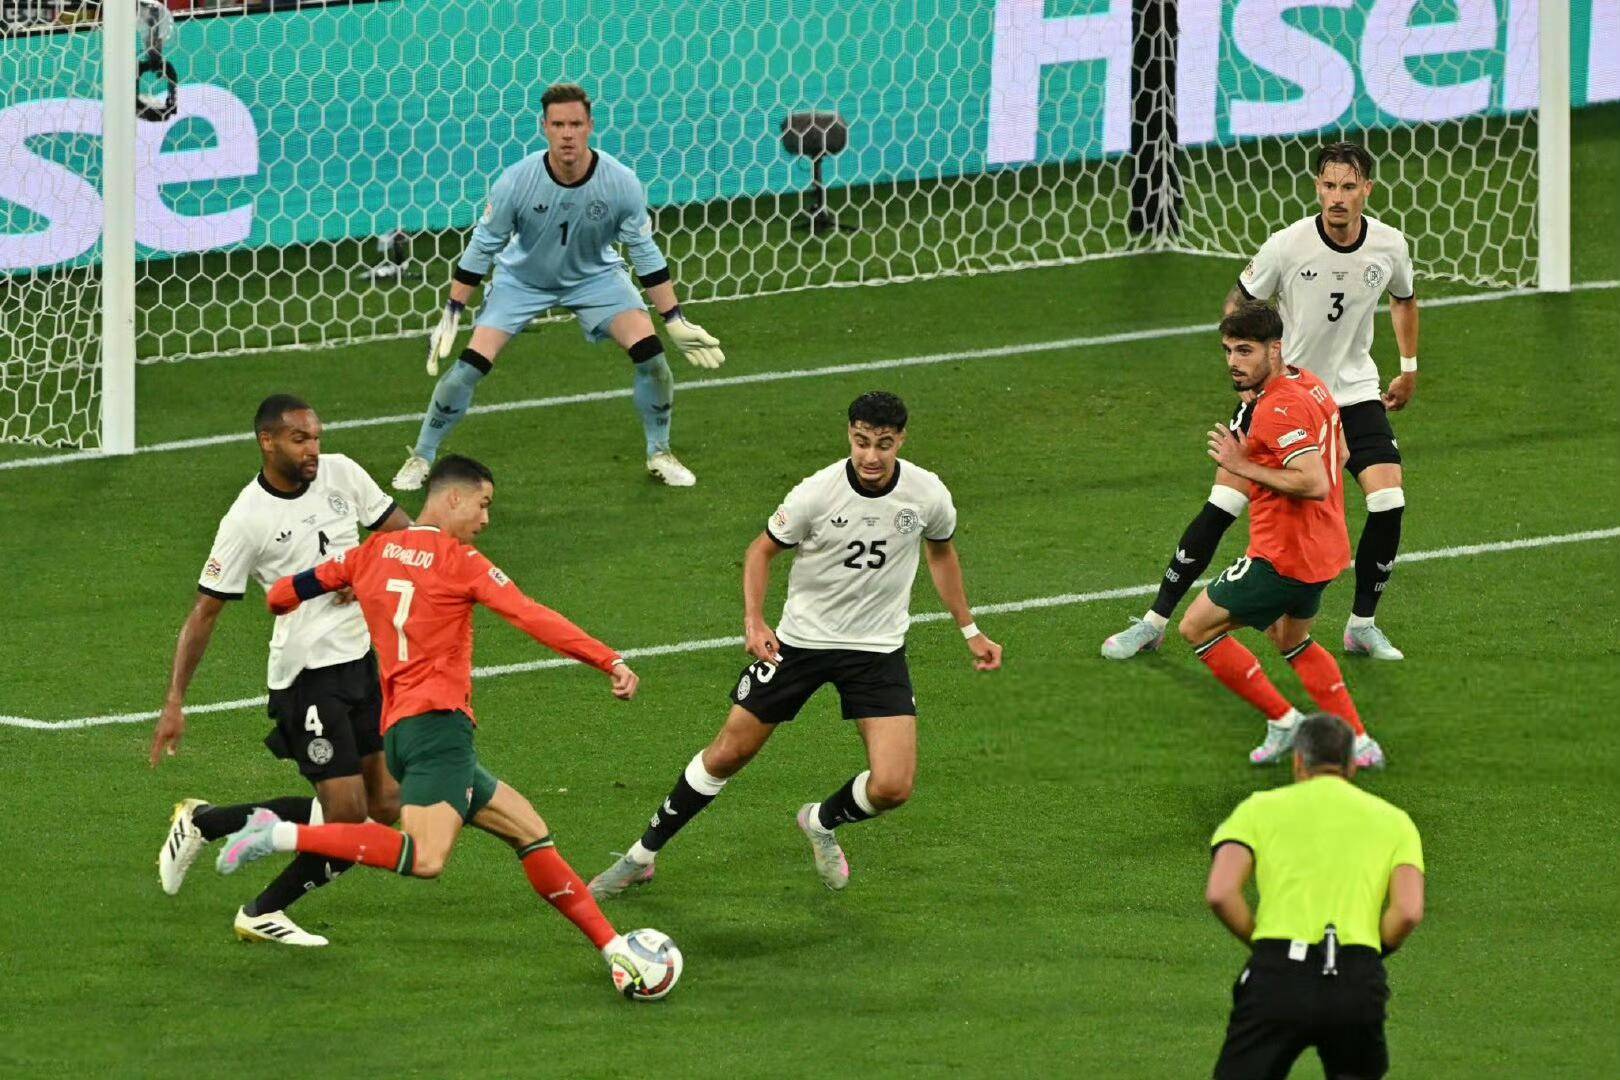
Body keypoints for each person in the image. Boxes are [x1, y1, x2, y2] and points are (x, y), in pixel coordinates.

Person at [215, 455, 647, 987]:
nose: (486, 520)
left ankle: (614, 950)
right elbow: (530, 615)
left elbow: (281, 595)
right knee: (424, 858)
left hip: (400, 732)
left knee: (530, 833)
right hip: (440, 730)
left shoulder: (369, 553)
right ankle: (277, 834)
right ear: (452, 497)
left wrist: (330, 588)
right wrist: (608, 659)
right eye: (483, 505)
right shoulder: (460, 562)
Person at [588, 391, 1002, 899]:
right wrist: (754, 621)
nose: (871, 456)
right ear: (849, 434)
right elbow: (760, 552)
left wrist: (970, 629)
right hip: (800, 644)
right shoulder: (817, 493)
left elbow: (941, 555)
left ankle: (821, 822)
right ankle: (640, 856)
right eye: (861, 441)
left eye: (883, 444)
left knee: (893, 786)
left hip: (877, 650)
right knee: (727, 754)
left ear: (901, 441)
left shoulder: (927, 494)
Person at [1104, 142, 1420, 662]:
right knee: (1223, 503)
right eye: (1328, 186)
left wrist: (1408, 367)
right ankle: (1153, 622)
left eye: (1348, 187)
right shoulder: (1287, 245)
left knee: (1388, 501)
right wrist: (1251, 374)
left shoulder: (1389, 245)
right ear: (1317, 187)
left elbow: (1404, 299)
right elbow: (1238, 302)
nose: (1337, 198)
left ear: (1367, 189)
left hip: (1353, 393)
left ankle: (1362, 625)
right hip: (1286, 395)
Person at [149, 393, 410, 947]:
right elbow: (204, 613)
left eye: (316, 437)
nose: (313, 449)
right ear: (267, 442)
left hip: (361, 664)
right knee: (345, 820)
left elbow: (404, 535)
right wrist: (174, 700)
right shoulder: (248, 518)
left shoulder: (342, 474)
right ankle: (262, 910)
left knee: (384, 806)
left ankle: (205, 822)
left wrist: (363, 567)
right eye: (299, 439)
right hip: (307, 677)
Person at [391, 82, 723, 492]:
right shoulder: (516, 181)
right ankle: (422, 456)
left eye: (576, 124)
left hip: (595, 277)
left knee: (652, 357)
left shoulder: (620, 182)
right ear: (544, 127)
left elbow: (644, 252)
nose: (567, 134)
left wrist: (674, 318)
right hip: (522, 280)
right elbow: (483, 245)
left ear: (590, 126)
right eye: (559, 124)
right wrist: (452, 311)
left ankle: (660, 452)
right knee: (470, 366)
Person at [1175, 302, 1385, 768]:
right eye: (1228, 350)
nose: (1233, 362)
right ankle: (1360, 741)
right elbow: (1342, 451)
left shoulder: (1275, 410)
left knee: (1196, 628)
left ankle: (1284, 720)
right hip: (1324, 550)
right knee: (1292, 639)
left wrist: (1241, 465)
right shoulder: (1311, 383)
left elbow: (1314, 482)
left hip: (1281, 558)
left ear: (1275, 349)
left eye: (1245, 351)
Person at [1205, 713, 1425, 1079]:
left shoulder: (1257, 808)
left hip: (1277, 974)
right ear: (1351, 765)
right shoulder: (1395, 821)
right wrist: (1369, 950)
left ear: (1298, 761)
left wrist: (1262, 942)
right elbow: (1408, 911)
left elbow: (1220, 892)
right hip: (1356, 977)